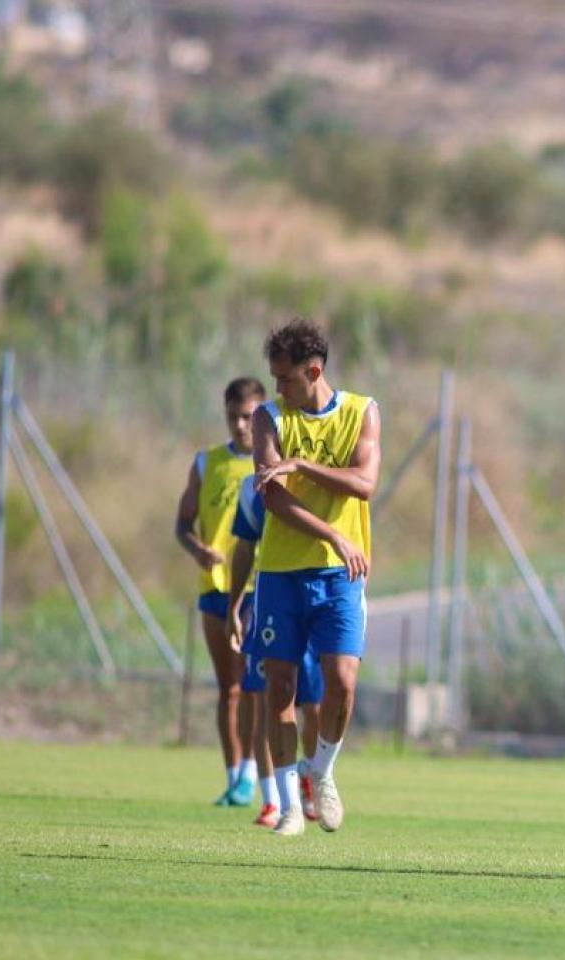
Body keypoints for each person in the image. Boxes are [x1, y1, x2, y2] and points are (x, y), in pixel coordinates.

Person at [252, 319, 380, 836]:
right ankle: (288, 807)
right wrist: (332, 533)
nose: (278, 388)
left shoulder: (361, 412)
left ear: (313, 371)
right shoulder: (268, 418)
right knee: (279, 688)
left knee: (342, 682)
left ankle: (320, 771)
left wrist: (302, 464)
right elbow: (272, 495)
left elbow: (364, 483)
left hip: (341, 573)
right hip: (281, 572)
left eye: (285, 378)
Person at [174, 377, 265, 806]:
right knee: (228, 687)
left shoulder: (271, 462)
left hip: (257, 587)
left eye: (248, 417)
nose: (240, 425)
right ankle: (234, 777)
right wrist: (197, 549)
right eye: (233, 417)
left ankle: (253, 772)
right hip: (215, 587)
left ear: (262, 415)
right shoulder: (206, 463)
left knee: (253, 685)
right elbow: (182, 524)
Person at [224, 474, 324, 829]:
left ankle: (312, 773)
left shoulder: (319, 482)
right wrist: (235, 607)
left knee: (313, 708)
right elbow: (244, 548)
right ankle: (273, 800)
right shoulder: (253, 488)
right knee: (267, 700)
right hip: (270, 604)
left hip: (315, 600)